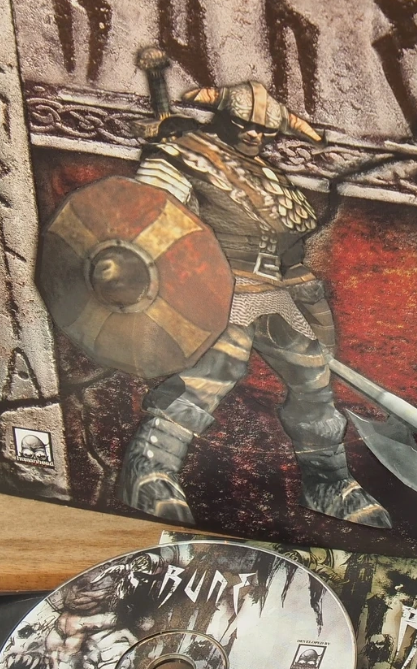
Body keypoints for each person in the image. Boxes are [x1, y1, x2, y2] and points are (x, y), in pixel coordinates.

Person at [120, 74, 390, 530]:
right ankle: (150, 468)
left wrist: (311, 305)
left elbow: (289, 255)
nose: (253, 135)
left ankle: (327, 484)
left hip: (273, 293)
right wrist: (164, 170)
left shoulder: (270, 179)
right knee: (216, 365)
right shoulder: (187, 157)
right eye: (242, 124)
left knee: (312, 377)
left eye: (263, 129)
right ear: (223, 119)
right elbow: (149, 219)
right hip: (214, 285)